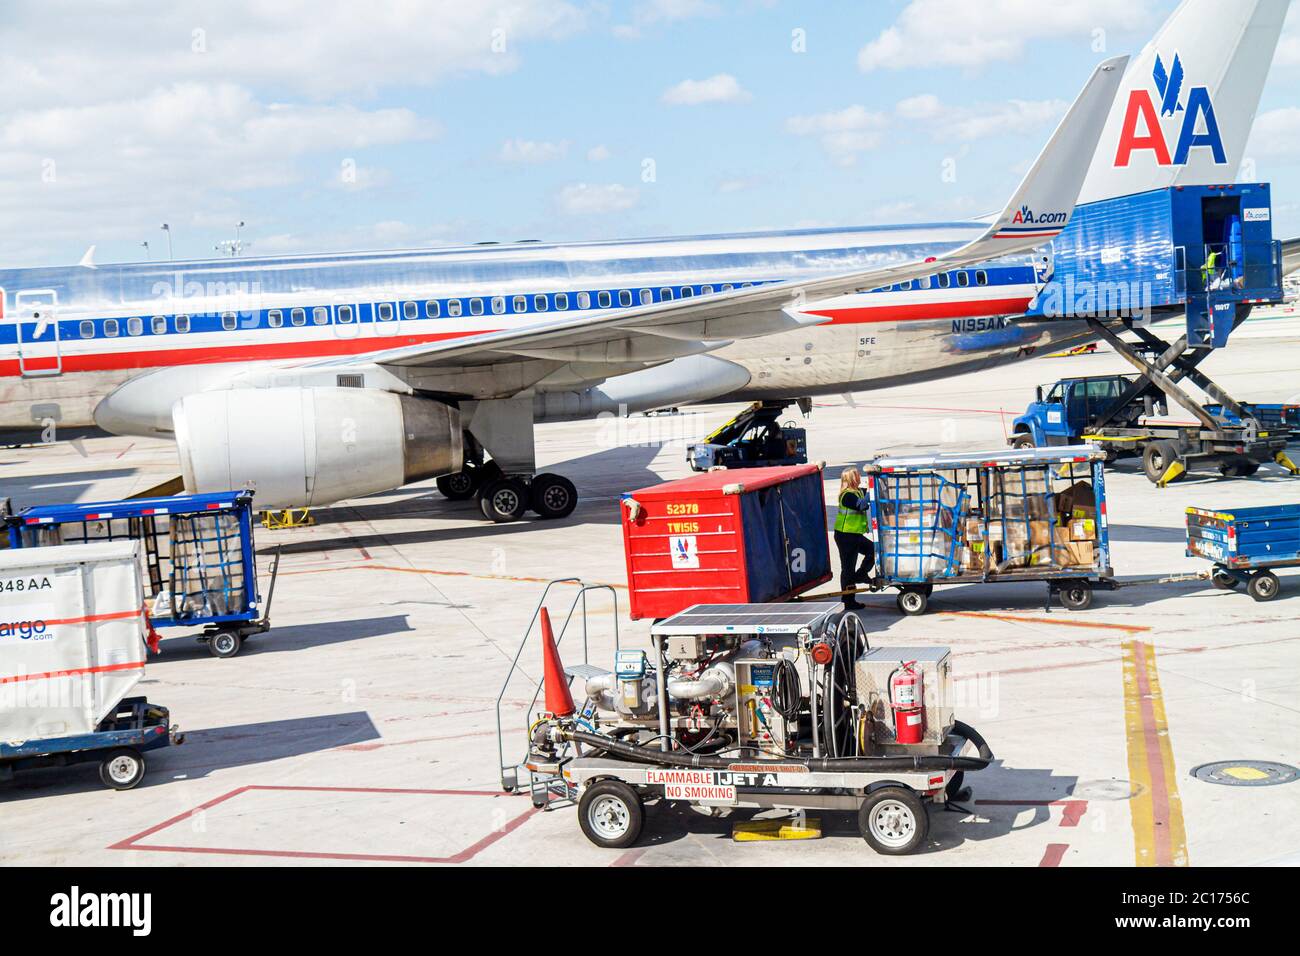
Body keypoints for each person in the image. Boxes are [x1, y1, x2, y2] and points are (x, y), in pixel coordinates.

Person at [833, 467, 875, 610]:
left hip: (854, 535)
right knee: (848, 569)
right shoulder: (846, 495)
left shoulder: (857, 491)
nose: (859, 478)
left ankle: (862, 573)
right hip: (845, 536)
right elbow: (862, 505)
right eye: (857, 476)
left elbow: (865, 495)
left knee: (873, 550)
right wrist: (870, 493)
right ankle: (848, 600)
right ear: (851, 479)